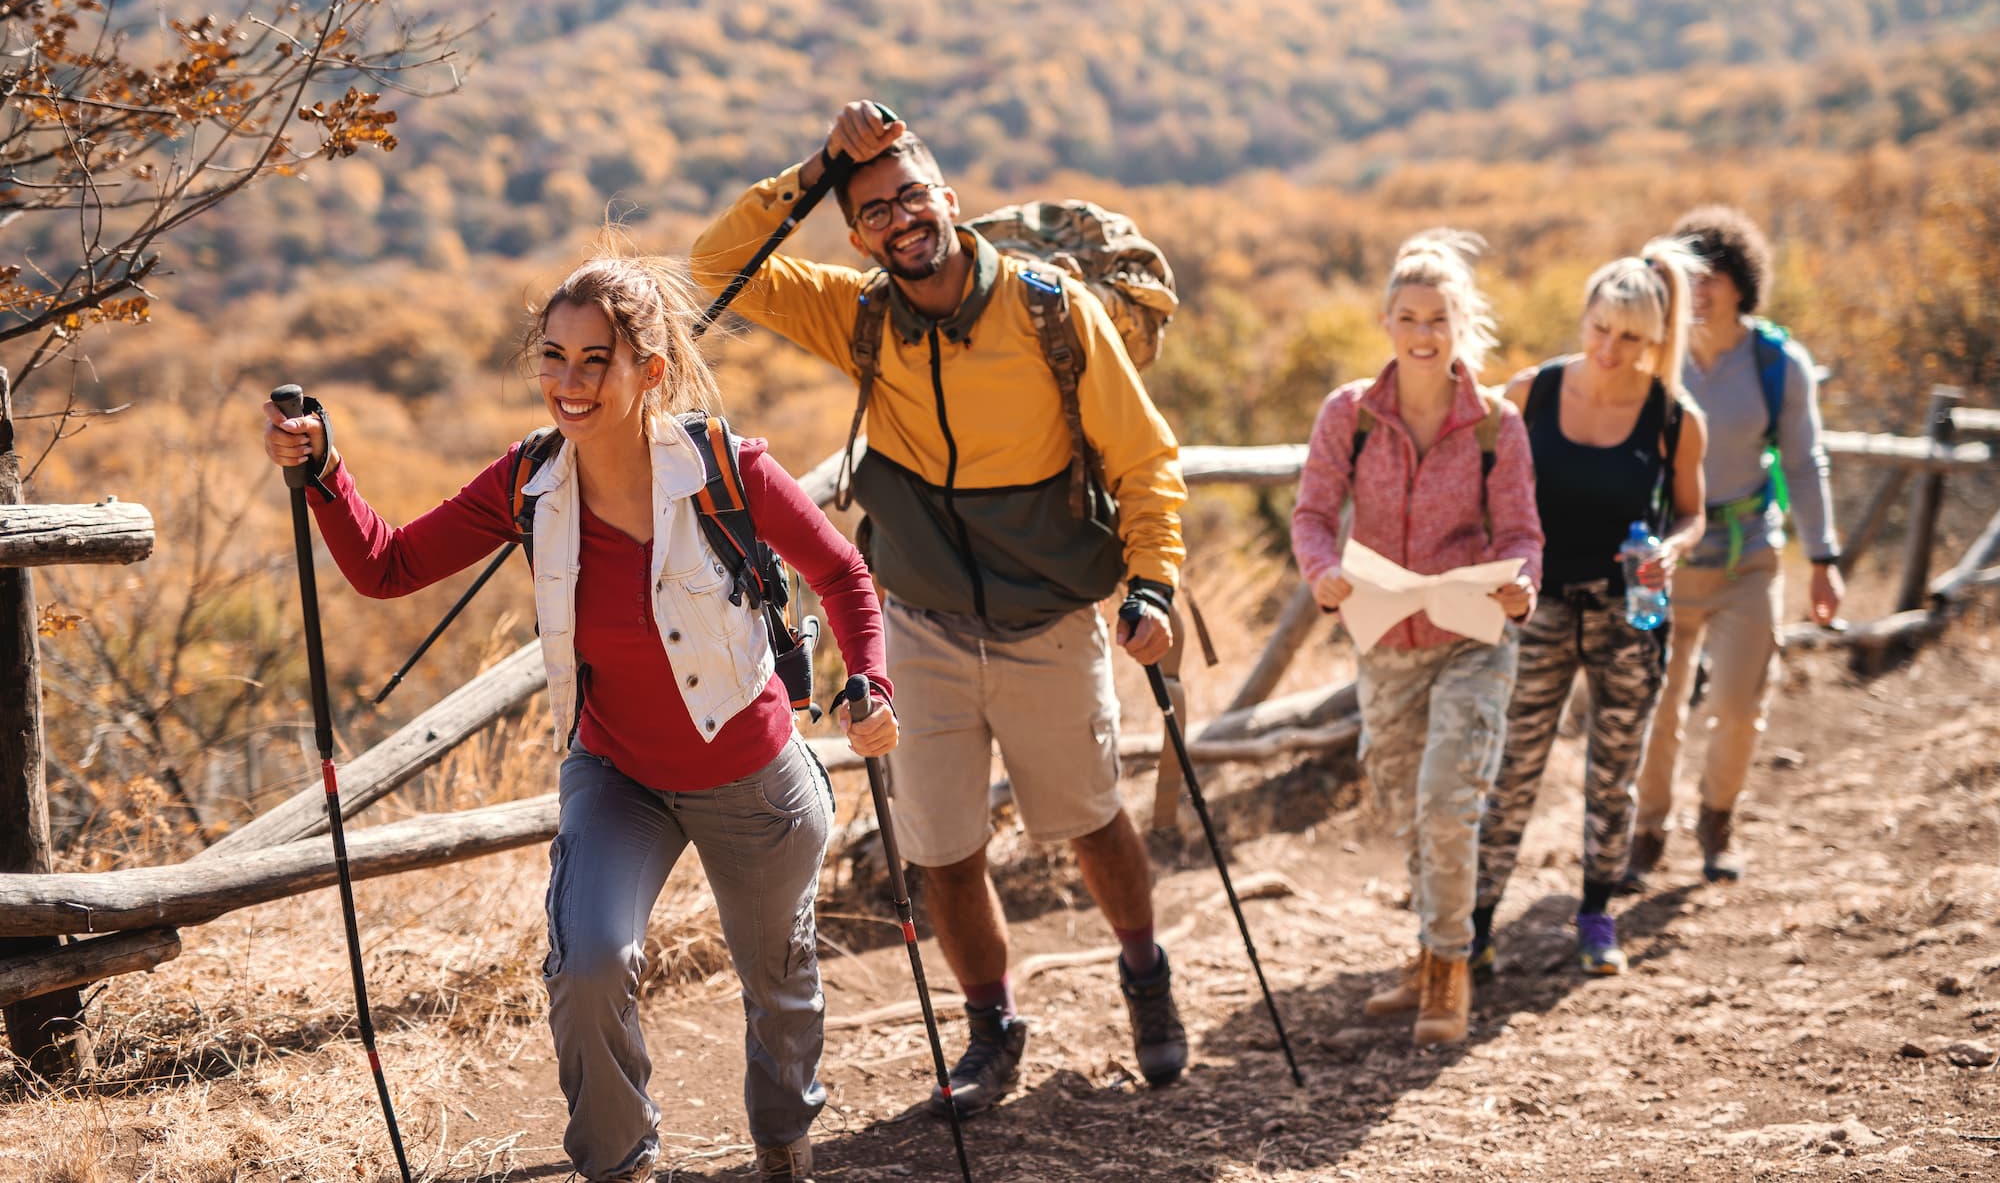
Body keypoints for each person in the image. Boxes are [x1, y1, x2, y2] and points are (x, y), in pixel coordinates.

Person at [262, 254, 897, 1183]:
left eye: (596, 360)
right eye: (554, 356)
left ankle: (782, 1146)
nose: (569, 382)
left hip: (749, 774)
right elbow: (386, 567)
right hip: (618, 774)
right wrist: (323, 469)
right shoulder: (529, 479)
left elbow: (845, 574)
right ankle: (621, 1163)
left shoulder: (730, 470)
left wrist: (868, 686)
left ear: (653, 369)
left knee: (779, 986)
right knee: (588, 964)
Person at [690, 102, 1189, 1117]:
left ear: (950, 202)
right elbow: (714, 264)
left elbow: (1143, 462)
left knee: (1091, 820)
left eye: (912, 197)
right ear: (856, 233)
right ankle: (990, 1027)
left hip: (1047, 614)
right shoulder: (858, 312)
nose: (899, 220)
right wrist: (822, 162)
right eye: (874, 210)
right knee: (943, 848)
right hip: (916, 619)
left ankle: (1142, 970)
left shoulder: (1051, 311)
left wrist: (1150, 583)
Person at [1291, 230, 1543, 1046]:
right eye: (1409, 317)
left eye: (1439, 317)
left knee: (1446, 797)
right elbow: (1312, 514)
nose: (1424, 332)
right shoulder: (1350, 413)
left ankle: (1449, 972)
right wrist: (1321, 570)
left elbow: (1523, 532)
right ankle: (1427, 951)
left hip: (1473, 635)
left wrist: (1523, 582)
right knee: (1406, 802)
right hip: (1383, 636)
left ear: (1461, 322)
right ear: (1386, 321)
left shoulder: (1497, 424)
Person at [1472, 241, 1709, 978]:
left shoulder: (1675, 417)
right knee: (1511, 766)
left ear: (1657, 341)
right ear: (1585, 318)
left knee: (1614, 772)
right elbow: (1484, 489)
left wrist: (1673, 549)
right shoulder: (1530, 393)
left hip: (1628, 616)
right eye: (1600, 328)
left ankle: (1597, 916)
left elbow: (1694, 514)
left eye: (1631, 337)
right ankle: (1474, 924)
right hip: (1533, 609)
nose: (1610, 348)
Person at [1628, 206, 1843, 887]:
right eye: (1690, 276)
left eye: (1713, 275)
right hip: (1664, 555)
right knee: (1655, 707)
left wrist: (1824, 560)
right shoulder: (1651, 354)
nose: (1701, 289)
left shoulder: (1779, 363)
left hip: (1748, 552)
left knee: (1741, 705)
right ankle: (1645, 828)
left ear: (1741, 282)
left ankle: (1717, 818)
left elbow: (1806, 463)